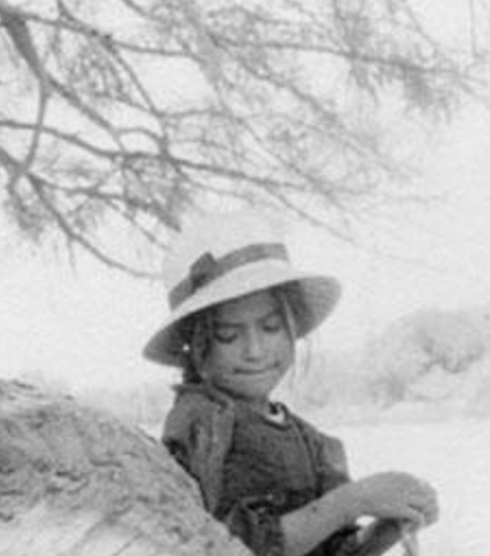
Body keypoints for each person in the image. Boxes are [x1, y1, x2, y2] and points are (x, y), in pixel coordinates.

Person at [143, 211, 439, 556]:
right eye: (228, 335)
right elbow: (215, 542)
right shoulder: (201, 421)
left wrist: (385, 526)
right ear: (194, 346)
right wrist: (349, 501)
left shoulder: (311, 442)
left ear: (292, 328)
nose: (254, 351)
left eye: (270, 328)